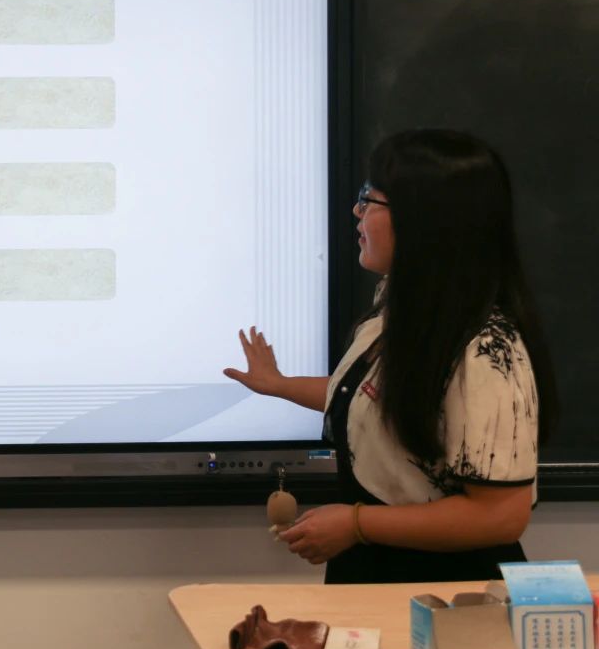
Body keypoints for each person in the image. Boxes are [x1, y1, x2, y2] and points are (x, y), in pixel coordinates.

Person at [224, 129, 556, 584]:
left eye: (370, 198)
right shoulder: (403, 313)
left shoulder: (484, 347)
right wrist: (278, 385)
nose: (356, 211)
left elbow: (500, 515)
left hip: (448, 594)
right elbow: (376, 397)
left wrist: (355, 523)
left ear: (423, 218)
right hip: (381, 576)